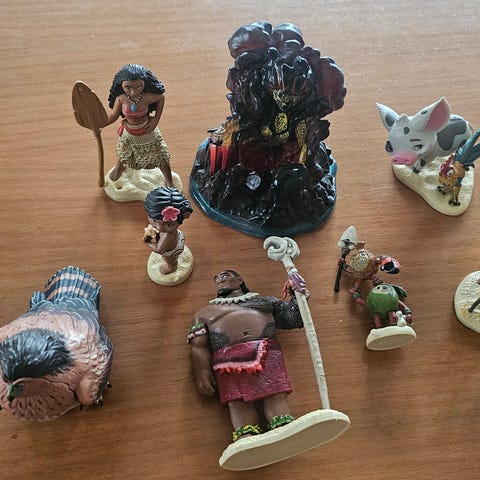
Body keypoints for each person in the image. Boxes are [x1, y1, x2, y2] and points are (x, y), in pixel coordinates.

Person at [187, 270, 305, 442]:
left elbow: (294, 319)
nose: (220, 280)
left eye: (225, 276)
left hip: (267, 353)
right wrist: (201, 370)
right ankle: (246, 437)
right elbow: (198, 345)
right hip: (226, 362)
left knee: (275, 394)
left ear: (239, 280)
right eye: (217, 278)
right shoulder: (204, 314)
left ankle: (284, 429)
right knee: (237, 402)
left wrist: (297, 295)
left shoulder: (265, 302)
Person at [103, 64, 174, 185]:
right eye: (128, 87)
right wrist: (99, 124)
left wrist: (155, 119)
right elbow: (113, 116)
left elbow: (161, 97)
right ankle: (119, 167)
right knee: (123, 153)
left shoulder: (146, 97)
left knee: (161, 155)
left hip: (147, 130)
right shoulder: (121, 98)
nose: (133, 92)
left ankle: (169, 181)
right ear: (121, 85)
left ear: (144, 83)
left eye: (138, 86)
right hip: (129, 132)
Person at [143, 187, 192, 275]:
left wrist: (148, 241)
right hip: (173, 240)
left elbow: (159, 249)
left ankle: (172, 267)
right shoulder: (164, 231)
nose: (159, 227)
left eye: (169, 224)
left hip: (170, 251)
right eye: (154, 220)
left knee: (169, 260)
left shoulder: (167, 235)